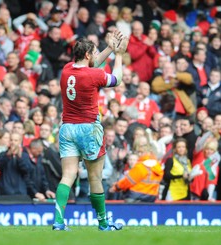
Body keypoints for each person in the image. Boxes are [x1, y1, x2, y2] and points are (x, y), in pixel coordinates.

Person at [52, 30, 127, 231]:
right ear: (87, 55)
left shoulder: (67, 69)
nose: (96, 56)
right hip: (89, 129)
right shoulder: (94, 75)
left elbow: (93, 63)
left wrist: (109, 48)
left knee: (67, 175)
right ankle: (103, 224)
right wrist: (119, 55)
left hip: (67, 128)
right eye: (94, 53)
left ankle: (58, 222)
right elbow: (117, 79)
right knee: (95, 177)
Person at [110, 136, 164, 202]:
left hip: (135, 196)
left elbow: (128, 181)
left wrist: (116, 186)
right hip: (151, 197)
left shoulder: (141, 166)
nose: (139, 154)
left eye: (140, 152)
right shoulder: (157, 166)